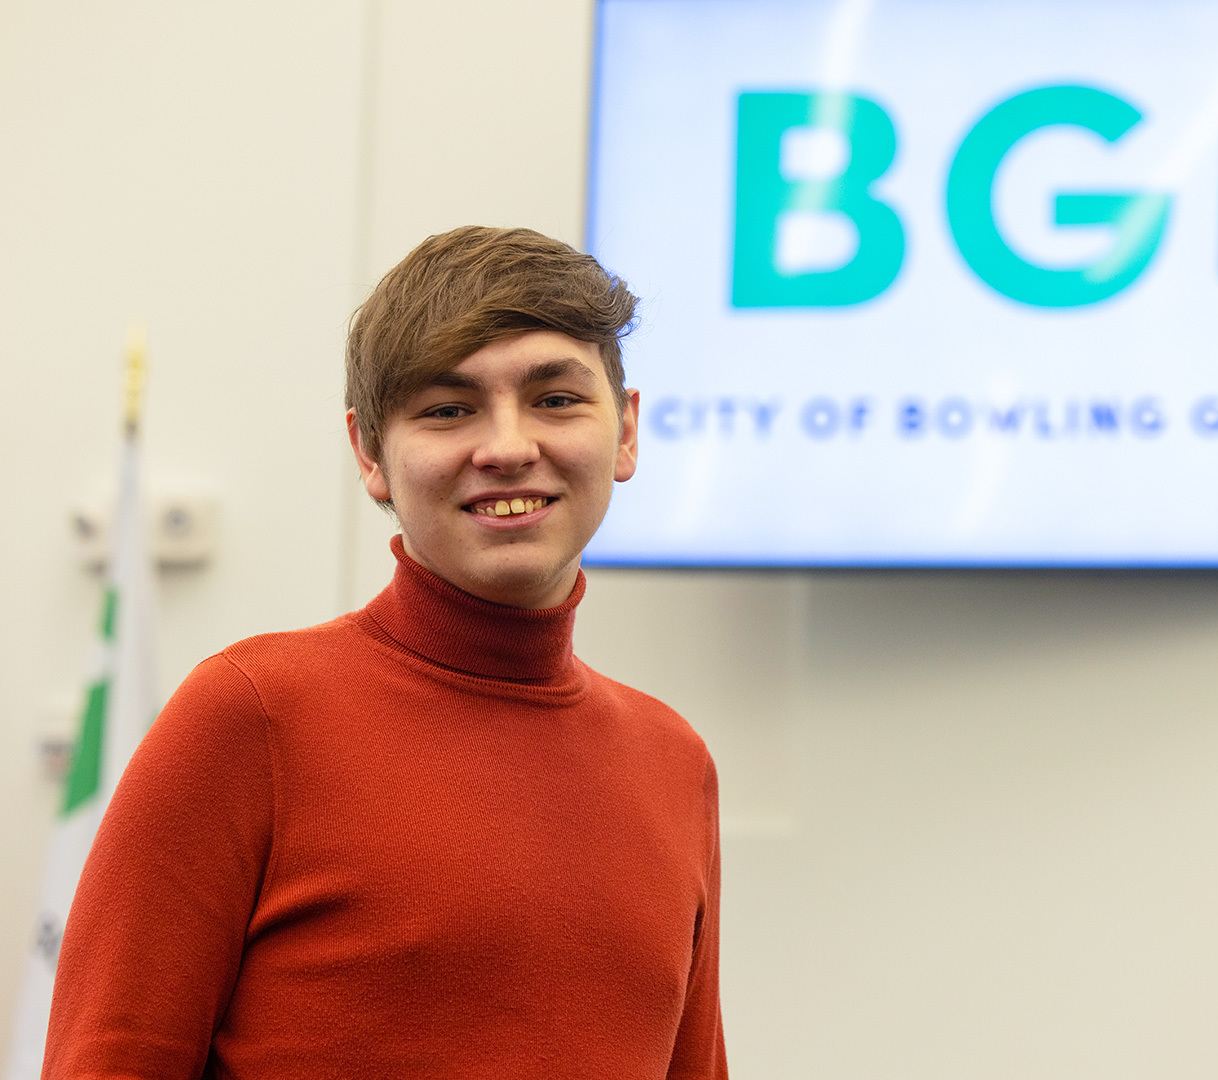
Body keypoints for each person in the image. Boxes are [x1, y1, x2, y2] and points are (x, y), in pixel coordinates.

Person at [42, 226, 726, 1078]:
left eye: (555, 399)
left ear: (624, 432)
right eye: (448, 409)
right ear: (370, 452)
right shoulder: (250, 717)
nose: (509, 447)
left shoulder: (675, 763)